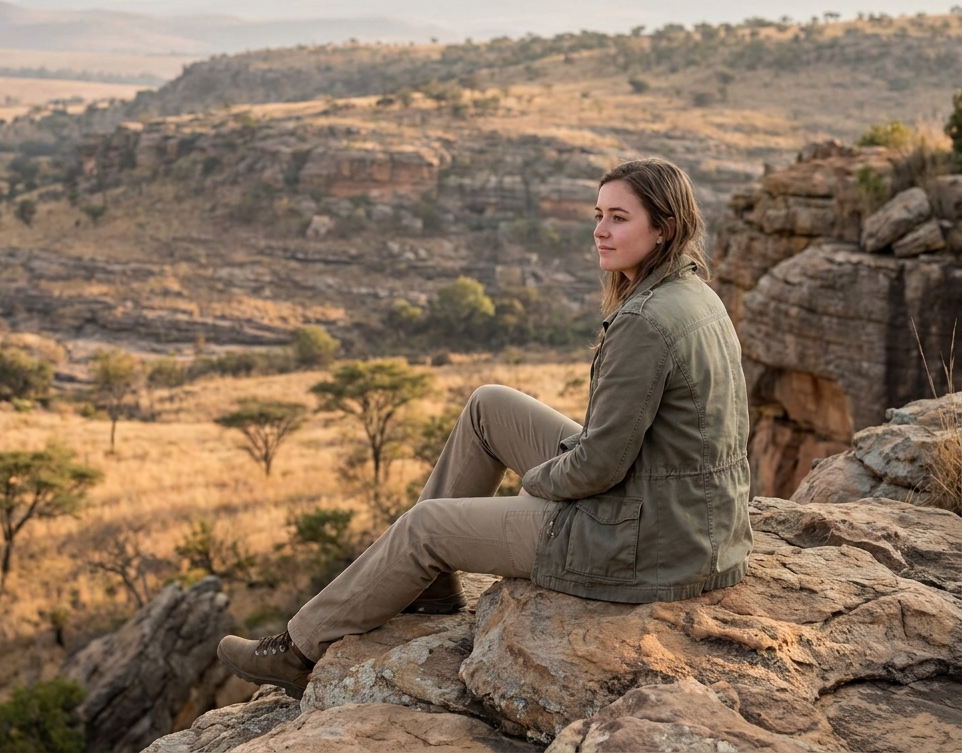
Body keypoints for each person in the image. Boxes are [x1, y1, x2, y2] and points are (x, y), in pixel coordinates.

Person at [217, 157, 752, 699]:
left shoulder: (644, 322)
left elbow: (601, 465)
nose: (599, 231)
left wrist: (542, 482)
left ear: (663, 227)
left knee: (426, 525)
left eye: (618, 217)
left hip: (641, 541)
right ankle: (429, 585)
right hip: (687, 520)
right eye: (598, 215)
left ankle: (298, 649)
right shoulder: (694, 294)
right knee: (489, 405)